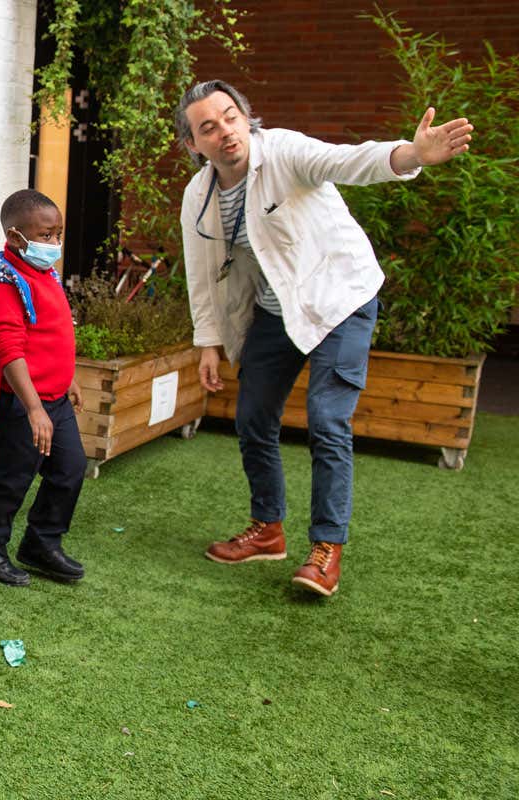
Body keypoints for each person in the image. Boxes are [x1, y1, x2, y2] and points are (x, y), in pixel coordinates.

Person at [175, 80, 472, 596]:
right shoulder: (198, 197)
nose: (224, 132)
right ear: (193, 145)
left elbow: (349, 161)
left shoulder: (285, 151)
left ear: (246, 117)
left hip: (341, 299)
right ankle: (268, 530)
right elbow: (201, 275)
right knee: (252, 417)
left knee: (328, 417)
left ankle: (326, 548)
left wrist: (410, 155)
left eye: (230, 117)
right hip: (278, 310)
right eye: (208, 128)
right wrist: (207, 342)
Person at [0, 189, 88, 587]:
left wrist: (70, 378)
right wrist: (33, 408)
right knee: (12, 476)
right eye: (47, 235)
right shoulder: (6, 281)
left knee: (70, 469)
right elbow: (7, 348)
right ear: (17, 237)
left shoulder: (43, 272)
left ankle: (40, 543)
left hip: (54, 396)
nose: (55, 243)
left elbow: (53, 332)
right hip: (19, 400)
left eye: (58, 234)